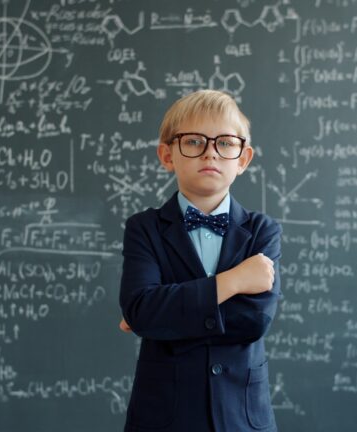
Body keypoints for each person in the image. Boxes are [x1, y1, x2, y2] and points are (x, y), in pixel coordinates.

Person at [118, 89, 282, 432]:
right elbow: (143, 311)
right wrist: (232, 282)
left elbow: (254, 321)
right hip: (163, 418)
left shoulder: (262, 231)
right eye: (193, 142)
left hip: (243, 418)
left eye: (225, 143)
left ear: (243, 158)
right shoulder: (144, 228)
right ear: (167, 154)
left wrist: (167, 315)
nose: (210, 152)